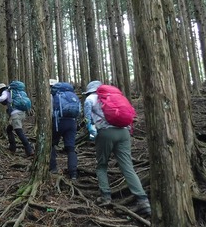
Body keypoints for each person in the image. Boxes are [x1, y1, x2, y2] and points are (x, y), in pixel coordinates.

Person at [83, 80, 151, 215]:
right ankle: (143, 201)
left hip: (106, 133)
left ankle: (105, 197)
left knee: (102, 165)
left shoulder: (90, 99)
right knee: (128, 167)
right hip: (124, 132)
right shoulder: (115, 97)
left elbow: (87, 120)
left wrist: (92, 132)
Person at [0, 83, 34, 157]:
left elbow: (2, 98)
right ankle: (12, 148)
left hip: (15, 114)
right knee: (9, 129)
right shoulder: (14, 92)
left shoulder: (5, 92)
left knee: (19, 132)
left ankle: (29, 149)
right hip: (22, 113)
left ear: (0, 90)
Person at [49, 79, 79, 180]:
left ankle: (53, 168)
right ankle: (73, 173)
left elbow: (50, 110)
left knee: (51, 143)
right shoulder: (72, 96)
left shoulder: (54, 96)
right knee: (71, 148)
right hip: (72, 122)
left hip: (58, 122)